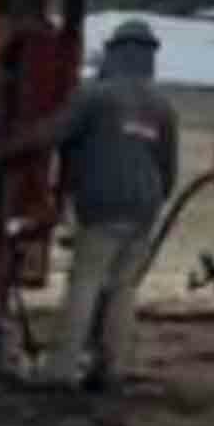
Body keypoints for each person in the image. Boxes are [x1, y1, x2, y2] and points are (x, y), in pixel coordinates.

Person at [27, 22, 181, 392]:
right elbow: (168, 169)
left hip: (101, 206)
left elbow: (52, 134)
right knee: (123, 289)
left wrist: (1, 148)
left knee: (86, 284)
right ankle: (113, 368)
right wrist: (151, 203)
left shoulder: (95, 97)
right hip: (143, 209)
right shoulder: (162, 106)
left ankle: (61, 371)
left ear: (114, 52)